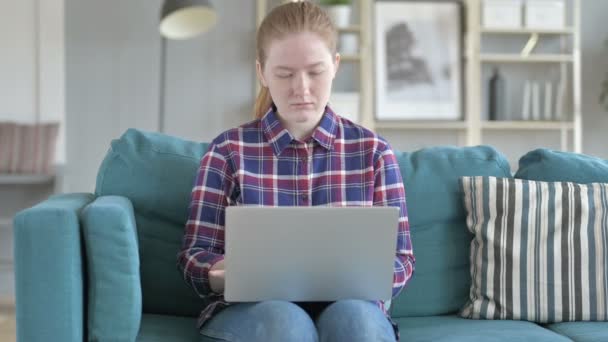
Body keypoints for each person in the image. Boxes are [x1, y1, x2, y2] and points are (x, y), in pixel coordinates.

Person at [178, 2, 415, 341]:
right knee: (285, 322)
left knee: (356, 321)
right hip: (255, 311)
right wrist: (224, 273)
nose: (301, 88)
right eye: (285, 74)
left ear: (335, 66)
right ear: (262, 73)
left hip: (354, 308)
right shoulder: (227, 152)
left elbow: (402, 259)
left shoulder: (374, 153)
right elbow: (193, 257)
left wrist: (364, 276)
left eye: (315, 72)